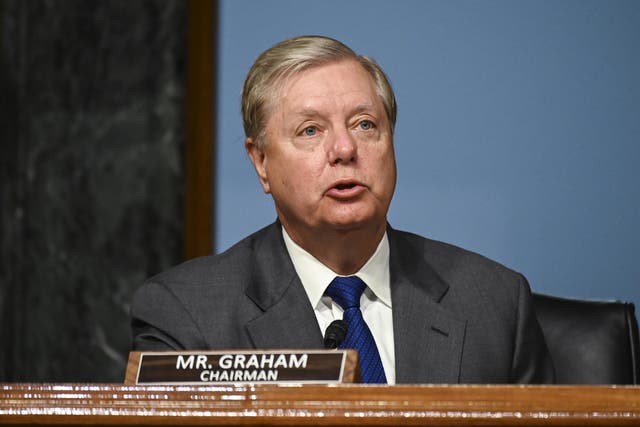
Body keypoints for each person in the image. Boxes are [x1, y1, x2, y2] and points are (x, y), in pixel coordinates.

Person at [131, 35, 555, 384]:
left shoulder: (494, 303)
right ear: (260, 162)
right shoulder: (186, 316)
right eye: (311, 130)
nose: (345, 149)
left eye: (365, 124)